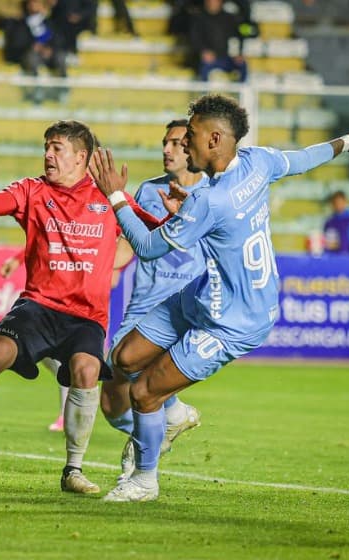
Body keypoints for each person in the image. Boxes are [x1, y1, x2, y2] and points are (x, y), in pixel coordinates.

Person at [89, 94, 349, 502]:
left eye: (189, 137)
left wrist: (116, 196)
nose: (183, 145)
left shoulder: (211, 201)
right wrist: (348, 143)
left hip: (233, 322)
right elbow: (302, 159)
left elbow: (146, 246)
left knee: (144, 394)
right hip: (205, 294)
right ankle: (174, 416)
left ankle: (144, 481)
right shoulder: (257, 161)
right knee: (123, 359)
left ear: (214, 139)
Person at [0, 120, 159, 494]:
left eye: (56, 148)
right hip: (38, 307)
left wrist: (177, 211)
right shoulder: (31, 191)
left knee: (87, 370)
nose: (47, 154)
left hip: (86, 317)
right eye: (46, 147)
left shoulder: (108, 197)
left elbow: (155, 233)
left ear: (81, 156)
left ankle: (73, 470)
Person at [101, 119, 208, 482]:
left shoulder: (215, 194)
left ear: (195, 148)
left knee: (146, 384)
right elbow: (130, 240)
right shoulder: (148, 191)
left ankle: (141, 471)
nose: (167, 149)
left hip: (185, 309)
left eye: (177, 143)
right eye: (165, 142)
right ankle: (170, 418)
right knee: (112, 402)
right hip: (142, 305)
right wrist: (101, 269)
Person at [0, 248, 68, 432]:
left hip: (71, 303)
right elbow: (40, 239)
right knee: (53, 360)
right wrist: (17, 259)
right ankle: (70, 411)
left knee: (63, 363)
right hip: (45, 301)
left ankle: (67, 415)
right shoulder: (56, 231)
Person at [3, 0, 68, 104]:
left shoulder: (49, 22)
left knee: (61, 57)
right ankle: (36, 90)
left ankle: (63, 90)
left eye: (38, 3)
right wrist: (33, 46)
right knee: (31, 57)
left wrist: (51, 49)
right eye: (33, 3)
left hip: (49, 54)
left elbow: (59, 40)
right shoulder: (20, 22)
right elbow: (17, 41)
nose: (36, 6)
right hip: (30, 54)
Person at [189, 0, 247, 82]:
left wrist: (237, 53)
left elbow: (237, 37)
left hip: (228, 57)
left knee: (241, 64)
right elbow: (195, 39)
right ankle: (204, 93)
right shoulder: (198, 19)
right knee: (204, 66)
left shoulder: (230, 18)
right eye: (210, 1)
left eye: (215, 1)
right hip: (207, 58)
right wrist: (204, 51)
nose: (213, 3)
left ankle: (241, 93)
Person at [322, 190, 349, 255]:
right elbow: (326, 245)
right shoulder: (329, 223)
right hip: (332, 261)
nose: (337, 205)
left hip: (347, 261)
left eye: (340, 202)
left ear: (345, 203)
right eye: (335, 203)